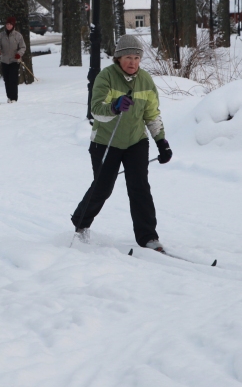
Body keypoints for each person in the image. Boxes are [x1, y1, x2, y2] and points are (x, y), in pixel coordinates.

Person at [70, 34, 173, 252]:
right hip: (105, 141)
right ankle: (80, 224)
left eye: (136, 57)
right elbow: (96, 110)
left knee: (140, 188)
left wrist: (161, 141)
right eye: (127, 57)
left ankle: (148, 237)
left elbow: (151, 114)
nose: (132, 62)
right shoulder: (105, 77)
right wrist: (115, 106)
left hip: (136, 141)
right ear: (118, 58)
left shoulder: (145, 80)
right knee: (103, 187)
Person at [0, 16, 26, 103]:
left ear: (13, 25)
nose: (8, 26)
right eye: (7, 24)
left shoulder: (18, 36)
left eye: (10, 24)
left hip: (14, 61)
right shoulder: (1, 35)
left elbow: (23, 47)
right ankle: (9, 97)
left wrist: (19, 54)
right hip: (4, 61)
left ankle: (14, 98)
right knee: (6, 80)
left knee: (13, 79)